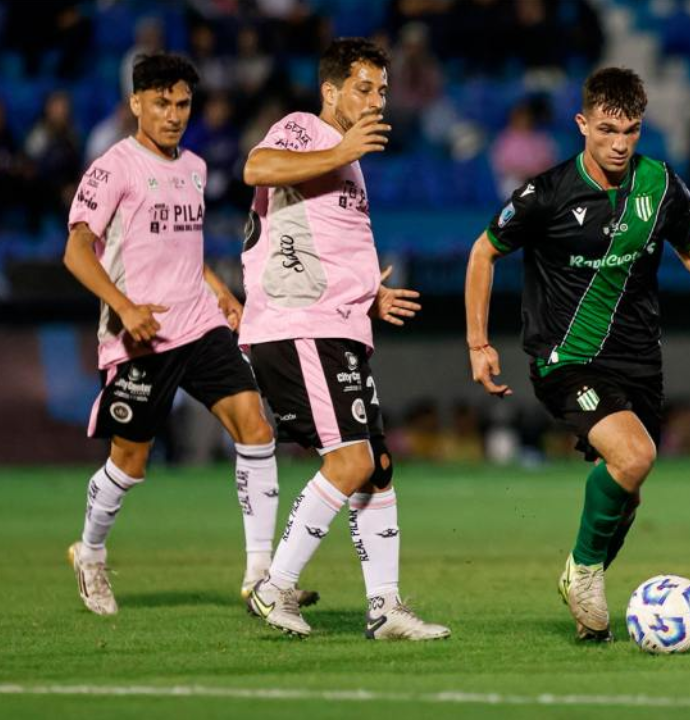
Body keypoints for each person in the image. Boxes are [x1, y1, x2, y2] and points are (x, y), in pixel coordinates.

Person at [464, 67, 690, 641]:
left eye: (630, 131)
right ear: (582, 125)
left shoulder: (661, 185)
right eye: (607, 130)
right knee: (633, 456)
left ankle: (584, 580)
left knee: (628, 485)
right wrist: (479, 343)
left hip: (640, 361)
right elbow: (483, 252)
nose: (619, 144)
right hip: (567, 358)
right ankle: (585, 573)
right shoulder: (545, 193)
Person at [62, 53, 301, 617]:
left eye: (182, 104)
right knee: (130, 463)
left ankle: (261, 574)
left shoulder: (194, 167)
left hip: (197, 324)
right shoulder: (112, 168)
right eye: (161, 103)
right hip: (139, 336)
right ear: (136, 104)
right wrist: (123, 307)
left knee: (255, 426)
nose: (173, 114)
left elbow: (182, 252)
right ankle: (91, 551)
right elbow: (76, 251)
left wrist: (219, 291)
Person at [240, 37, 448, 641]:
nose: (376, 100)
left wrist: (371, 293)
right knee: (351, 460)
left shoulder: (348, 162)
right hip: (301, 326)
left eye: (382, 90)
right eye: (364, 88)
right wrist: (341, 147)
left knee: (376, 468)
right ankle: (274, 587)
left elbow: (322, 240)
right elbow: (256, 166)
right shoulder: (306, 129)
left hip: (340, 325)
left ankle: (385, 608)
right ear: (331, 91)